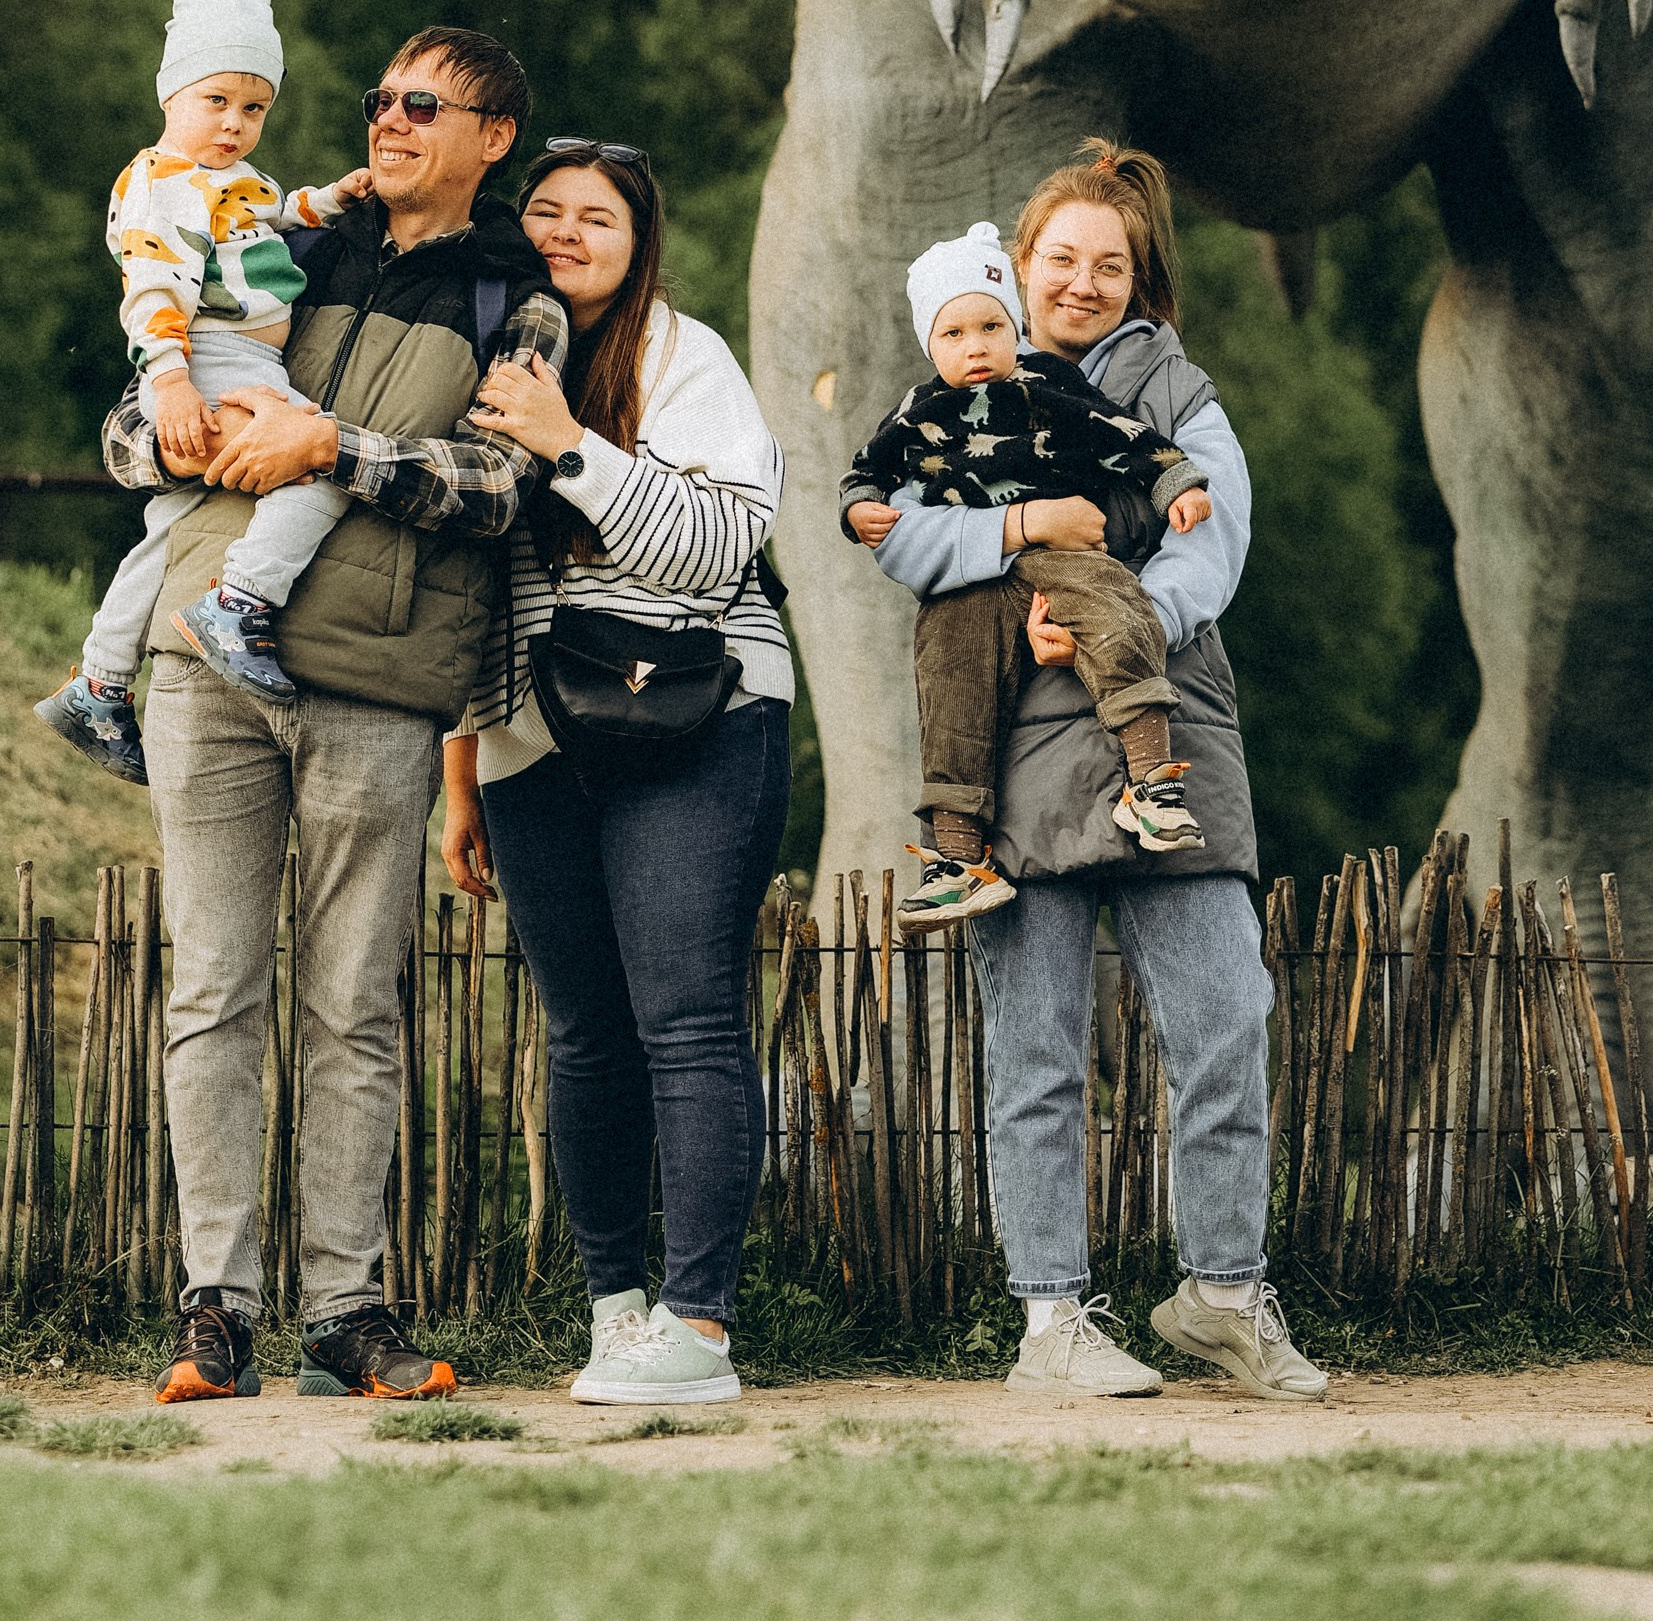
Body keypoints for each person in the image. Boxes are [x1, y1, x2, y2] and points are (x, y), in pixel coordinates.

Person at [100, 24, 567, 1407]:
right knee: (212, 988)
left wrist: (334, 451)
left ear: (492, 140)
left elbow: (501, 488)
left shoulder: (514, 294)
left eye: (426, 104)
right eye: (379, 97)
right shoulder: (272, 240)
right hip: (204, 659)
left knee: (355, 1005)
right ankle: (213, 1314)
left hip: (379, 679)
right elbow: (125, 424)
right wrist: (167, 431)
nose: (390, 119)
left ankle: (344, 1313)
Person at [859, 139, 1326, 1406]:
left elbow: (1213, 542)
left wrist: (1120, 622)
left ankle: (1223, 1296)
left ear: (1139, 276)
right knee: (1036, 1051)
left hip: (1161, 724)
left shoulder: (1179, 392)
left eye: (1105, 262)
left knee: (1228, 1018)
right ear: (1018, 268)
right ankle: (1050, 1320)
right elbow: (900, 542)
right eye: (1057, 258)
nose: (1079, 281)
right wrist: (1016, 532)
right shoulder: (956, 391)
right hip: (1012, 743)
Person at [439, 140, 787, 1410]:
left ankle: (698, 1327)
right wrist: (462, 773)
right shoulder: (473, 356)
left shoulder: (682, 358)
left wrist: (570, 443)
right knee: (583, 1034)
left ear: (639, 243)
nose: (569, 232)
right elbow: (469, 594)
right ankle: (617, 1311)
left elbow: (720, 543)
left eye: (600, 217)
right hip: (531, 736)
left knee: (685, 1017)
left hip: (697, 717)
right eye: (546, 212)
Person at [37, 0, 375, 785]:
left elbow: (265, 214)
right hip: (210, 357)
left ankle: (98, 680)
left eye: (254, 108)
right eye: (215, 100)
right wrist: (172, 383)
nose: (234, 123)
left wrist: (325, 201)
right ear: (170, 95)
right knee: (320, 465)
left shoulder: (223, 181)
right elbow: (152, 288)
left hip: (236, 357)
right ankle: (240, 602)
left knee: (170, 529)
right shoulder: (162, 183)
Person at [840, 218, 1212, 923]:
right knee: (949, 680)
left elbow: (1125, 436)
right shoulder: (917, 412)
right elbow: (868, 472)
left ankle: (1151, 787)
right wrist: (858, 509)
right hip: (972, 576)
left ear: (1013, 326)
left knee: (1119, 608)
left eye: (989, 327)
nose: (975, 347)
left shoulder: (1047, 385)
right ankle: (958, 857)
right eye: (953, 335)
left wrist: (1177, 486)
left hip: (1065, 553)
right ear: (929, 344)